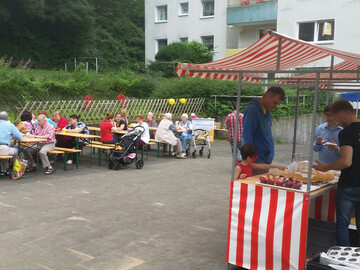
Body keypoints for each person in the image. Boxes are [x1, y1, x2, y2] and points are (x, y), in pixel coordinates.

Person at [313, 99, 360, 246]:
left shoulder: (346, 133)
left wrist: (326, 167)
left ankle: (342, 261)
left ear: (342, 113)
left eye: (337, 118)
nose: (337, 122)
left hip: (349, 185)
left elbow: (346, 161)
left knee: (342, 224)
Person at [243, 86, 285, 175]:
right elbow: (247, 135)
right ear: (267, 95)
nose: (275, 106)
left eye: (277, 104)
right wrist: (249, 160)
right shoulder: (252, 110)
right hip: (257, 160)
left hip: (265, 159)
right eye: (274, 102)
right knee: (255, 187)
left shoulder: (266, 110)